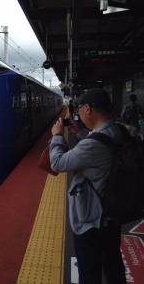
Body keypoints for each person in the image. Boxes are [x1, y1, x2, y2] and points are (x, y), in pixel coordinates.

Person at [50, 88, 126, 284]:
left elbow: (57, 163)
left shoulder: (90, 146)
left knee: (89, 272)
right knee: (112, 264)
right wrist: (79, 131)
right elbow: (101, 142)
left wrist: (58, 136)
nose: (78, 114)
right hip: (112, 214)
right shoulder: (118, 130)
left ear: (88, 108)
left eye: (79, 109)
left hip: (91, 221)